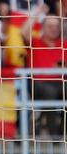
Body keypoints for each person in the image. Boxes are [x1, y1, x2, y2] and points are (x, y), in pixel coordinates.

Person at [22, 7, 67, 136]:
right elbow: (23, 32)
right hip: (40, 85)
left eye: (56, 26)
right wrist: (37, 12)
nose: (54, 29)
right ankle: (54, 136)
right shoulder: (34, 43)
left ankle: (63, 132)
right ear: (43, 27)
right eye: (50, 26)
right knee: (50, 91)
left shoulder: (64, 44)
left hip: (61, 83)